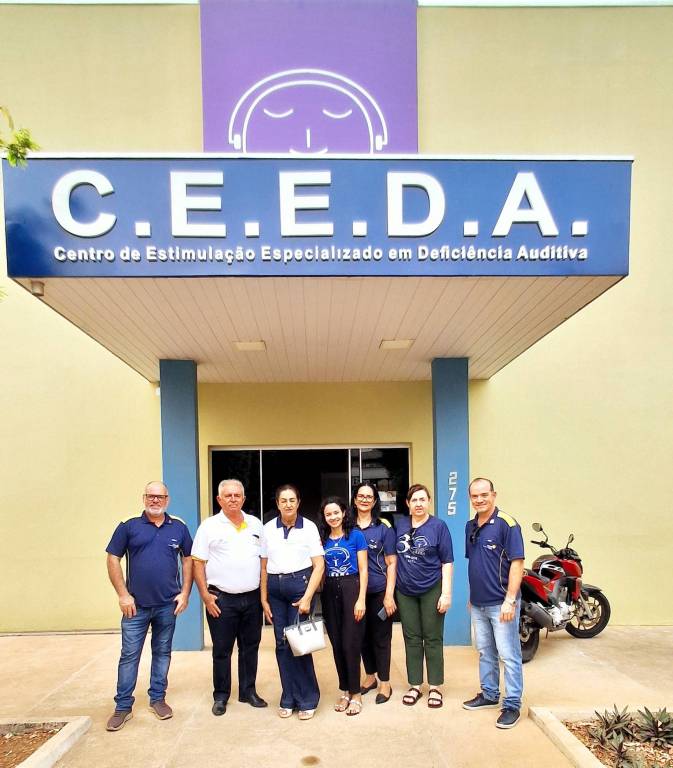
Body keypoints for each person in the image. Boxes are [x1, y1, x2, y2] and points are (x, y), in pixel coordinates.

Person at [105, 481, 193, 731]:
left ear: (167, 499)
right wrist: (123, 595)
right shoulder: (129, 526)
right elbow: (113, 558)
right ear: (144, 498)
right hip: (136, 607)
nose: (155, 500)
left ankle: (158, 699)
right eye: (151, 496)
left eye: (160, 497)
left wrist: (185, 593)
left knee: (162, 653)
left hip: (167, 606)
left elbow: (188, 559)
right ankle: (123, 707)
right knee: (129, 656)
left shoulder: (179, 527)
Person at [191, 479, 267, 716]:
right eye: (228, 495)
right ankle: (221, 696)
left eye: (237, 495)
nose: (233, 499)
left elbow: (263, 561)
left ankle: (248, 691)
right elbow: (197, 563)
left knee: (250, 647)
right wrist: (205, 597)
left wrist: (263, 597)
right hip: (221, 599)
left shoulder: (255, 524)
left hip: (251, 599)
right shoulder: (209, 526)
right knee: (222, 650)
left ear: (243, 499)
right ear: (219, 499)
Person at [462, 477, 525, 729]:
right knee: (485, 651)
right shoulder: (470, 526)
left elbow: (517, 564)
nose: (479, 500)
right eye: (475, 496)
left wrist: (510, 600)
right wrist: (471, 596)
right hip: (479, 603)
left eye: (484, 495)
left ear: (494, 495)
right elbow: (476, 563)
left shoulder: (507, 524)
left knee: (509, 655)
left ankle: (512, 704)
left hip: (501, 603)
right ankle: (489, 694)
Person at [260, 484, 325, 720]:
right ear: (277, 504)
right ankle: (288, 697)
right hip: (275, 590)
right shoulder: (268, 528)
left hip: (300, 587)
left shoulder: (309, 527)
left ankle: (308, 698)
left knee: (299, 643)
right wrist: (263, 598)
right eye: (283, 500)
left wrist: (308, 597)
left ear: (298, 502)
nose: (288, 504)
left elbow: (319, 565)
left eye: (292, 500)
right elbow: (264, 566)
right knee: (281, 644)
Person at [395, 483, 453, 709]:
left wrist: (446, 594)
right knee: (411, 637)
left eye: (422, 499)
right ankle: (415, 685)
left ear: (428, 501)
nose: (418, 504)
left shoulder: (439, 526)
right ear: (407, 503)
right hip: (405, 591)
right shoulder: (400, 525)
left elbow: (447, 561)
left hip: (432, 588)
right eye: (414, 500)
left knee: (432, 637)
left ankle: (435, 686)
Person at [318, 497, 368, 716]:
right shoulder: (322, 539)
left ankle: (356, 694)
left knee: (350, 644)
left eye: (336, 513)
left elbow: (364, 570)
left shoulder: (356, 535)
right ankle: (345, 690)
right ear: (324, 517)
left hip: (351, 589)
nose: (333, 517)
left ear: (344, 513)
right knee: (337, 644)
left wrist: (361, 599)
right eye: (328, 514)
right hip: (329, 591)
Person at [351, 482, 397, 704]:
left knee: (381, 638)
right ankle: (370, 676)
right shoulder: (347, 526)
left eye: (369, 497)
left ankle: (385, 682)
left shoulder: (383, 527)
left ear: (375, 501)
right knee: (361, 638)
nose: (364, 500)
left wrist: (389, 595)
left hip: (379, 591)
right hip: (354, 594)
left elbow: (392, 563)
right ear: (354, 500)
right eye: (361, 496)